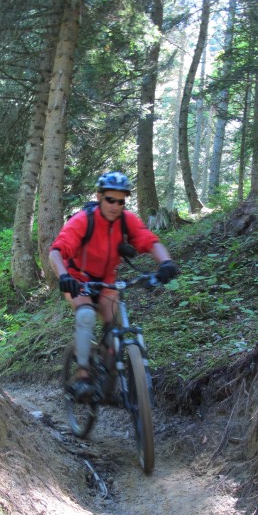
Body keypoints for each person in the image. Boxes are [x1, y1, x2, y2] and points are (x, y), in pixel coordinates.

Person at [48, 171, 179, 400]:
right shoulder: (83, 220)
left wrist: (166, 263)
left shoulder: (126, 220)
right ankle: (83, 376)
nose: (116, 205)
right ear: (99, 197)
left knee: (113, 328)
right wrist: (63, 277)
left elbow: (148, 240)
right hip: (78, 278)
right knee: (86, 315)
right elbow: (56, 251)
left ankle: (109, 379)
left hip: (107, 281)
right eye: (110, 199)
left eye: (121, 201)